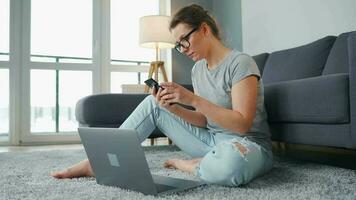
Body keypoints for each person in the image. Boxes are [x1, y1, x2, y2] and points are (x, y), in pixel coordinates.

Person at [52, 4, 273, 186]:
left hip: (247, 145)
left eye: (184, 40)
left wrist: (193, 99)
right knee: (153, 103)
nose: (183, 49)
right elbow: (204, 120)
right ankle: (96, 162)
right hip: (211, 141)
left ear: (204, 29)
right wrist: (172, 108)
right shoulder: (198, 70)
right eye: (178, 45)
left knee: (229, 168)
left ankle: (191, 165)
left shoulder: (240, 63)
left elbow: (242, 124)